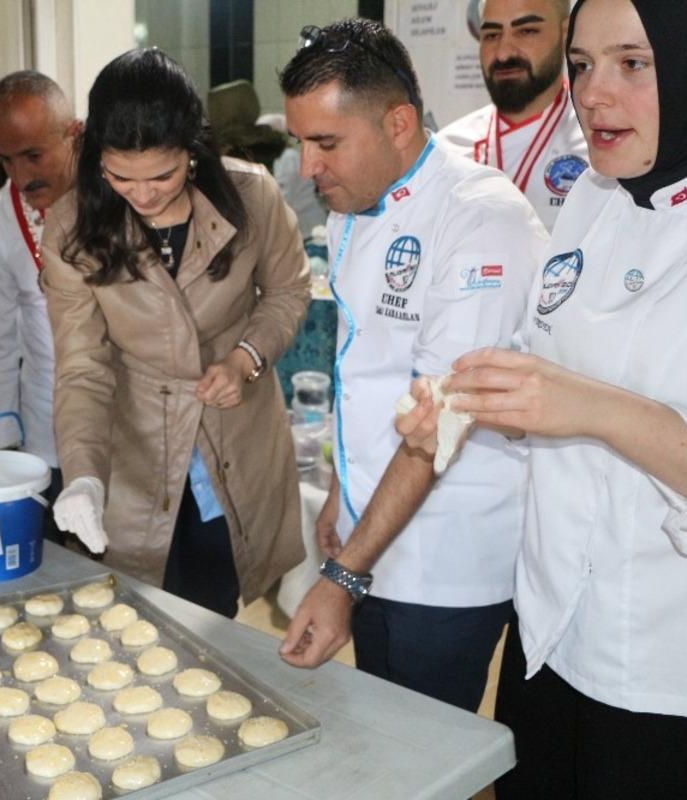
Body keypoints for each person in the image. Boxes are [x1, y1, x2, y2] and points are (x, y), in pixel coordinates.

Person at [399, 0, 687, 794]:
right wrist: (471, 396)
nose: (594, 93)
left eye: (633, 63)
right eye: (581, 65)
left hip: (674, 668)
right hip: (549, 631)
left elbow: (584, 399)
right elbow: (549, 361)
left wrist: (587, 407)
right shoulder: (592, 197)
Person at [277, 19, 548, 713]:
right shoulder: (353, 208)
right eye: (300, 143)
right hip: (375, 529)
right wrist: (343, 484)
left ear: (398, 123)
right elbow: (362, 367)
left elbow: (439, 422)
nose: (309, 168)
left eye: (326, 143)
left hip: (446, 558)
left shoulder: (480, 219)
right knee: (379, 733)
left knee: (423, 749)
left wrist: (341, 578)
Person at [41, 49, 310, 618]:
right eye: (120, 177)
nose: (143, 194)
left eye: (162, 175)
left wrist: (246, 358)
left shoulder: (253, 196)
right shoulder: (71, 226)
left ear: (193, 150)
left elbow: (288, 293)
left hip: (234, 434)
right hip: (135, 443)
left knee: (216, 608)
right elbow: (82, 366)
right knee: (133, 611)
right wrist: (85, 476)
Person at [0, 71, 82, 527]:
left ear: (74, 133)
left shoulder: (119, 197)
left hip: (127, 430)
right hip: (47, 430)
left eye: (34, 155)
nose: (21, 176)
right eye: (7, 160)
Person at [438, 0, 588, 231]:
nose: (504, 53)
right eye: (491, 34)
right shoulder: (446, 150)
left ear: (567, 34)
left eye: (526, 31)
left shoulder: (597, 146)